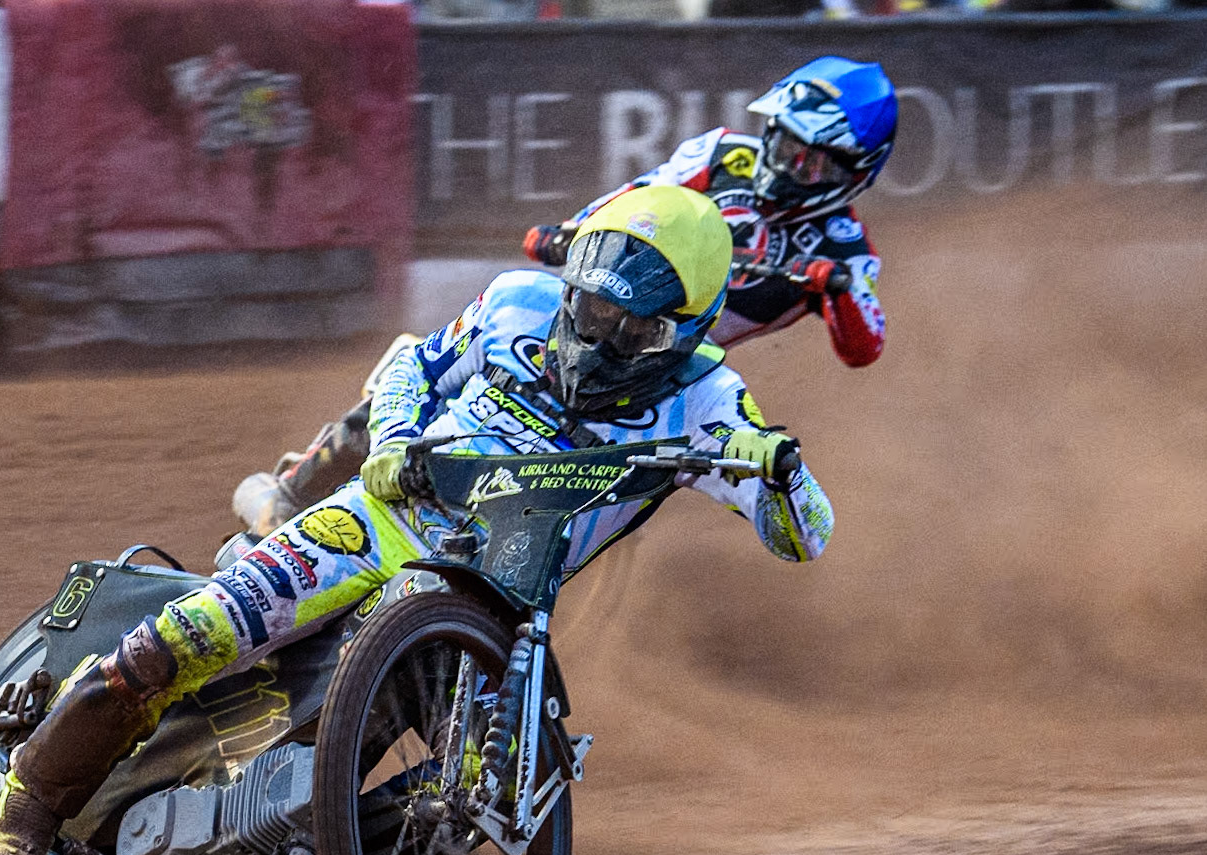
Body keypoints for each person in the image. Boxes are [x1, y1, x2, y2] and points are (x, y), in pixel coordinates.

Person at [0, 184, 835, 855]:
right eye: (587, 308)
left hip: (494, 599)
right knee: (198, 629)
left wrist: (783, 472)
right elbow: (409, 366)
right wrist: (392, 441)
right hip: (379, 522)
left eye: (629, 328)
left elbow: (803, 538)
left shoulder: (712, 403)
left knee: (508, 780)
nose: (596, 336)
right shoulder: (513, 304)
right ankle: (25, 806)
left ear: (688, 330)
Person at [232, 55, 895, 538]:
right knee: (450, 356)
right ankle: (302, 482)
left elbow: (866, 345)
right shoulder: (724, 157)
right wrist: (574, 235)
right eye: (785, 142)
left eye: (813, 161)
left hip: (668, 377)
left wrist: (831, 285)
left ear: (854, 174)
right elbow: (638, 199)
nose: (789, 164)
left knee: (626, 486)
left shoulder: (843, 247)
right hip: (600, 318)